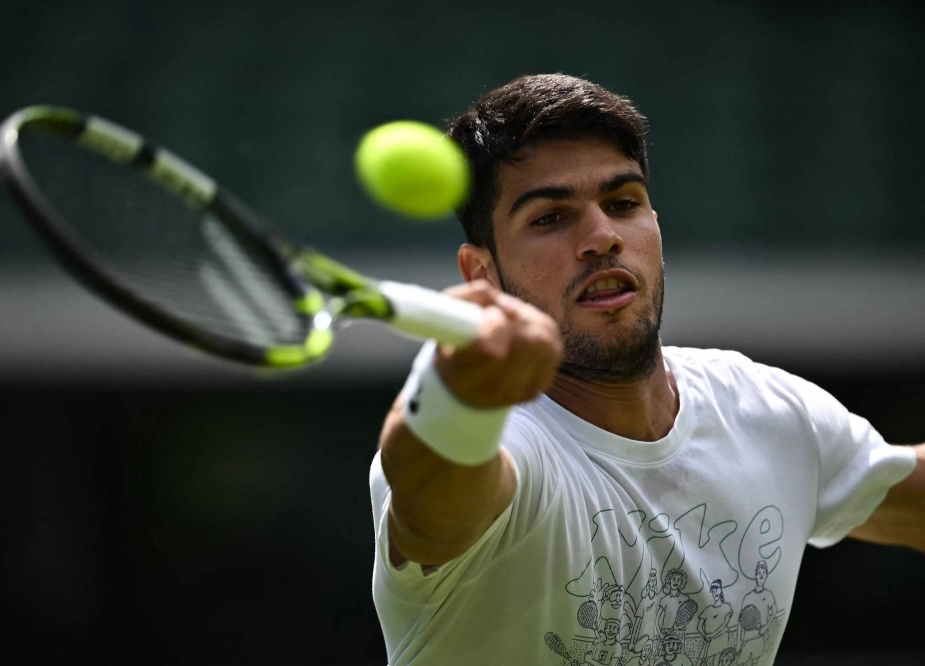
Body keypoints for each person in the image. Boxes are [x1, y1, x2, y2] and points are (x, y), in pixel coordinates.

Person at [367, 73, 924, 666]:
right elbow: (432, 514)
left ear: (655, 225)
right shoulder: (502, 446)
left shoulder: (769, 412)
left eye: (623, 202)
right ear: (481, 274)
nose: (602, 237)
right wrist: (453, 396)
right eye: (550, 218)